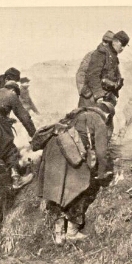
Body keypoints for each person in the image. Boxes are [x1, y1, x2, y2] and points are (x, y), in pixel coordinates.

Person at [36, 101, 115, 245]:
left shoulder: (74, 113)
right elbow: (102, 152)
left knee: (56, 190)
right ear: (107, 115)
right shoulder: (99, 120)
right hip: (70, 152)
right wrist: (102, 174)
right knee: (78, 188)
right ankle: (72, 232)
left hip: (53, 149)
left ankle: (58, 234)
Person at [79, 30, 129, 108]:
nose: (122, 48)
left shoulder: (113, 56)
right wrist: (98, 95)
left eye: (125, 46)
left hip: (105, 99)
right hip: (92, 98)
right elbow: (93, 76)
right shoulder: (101, 53)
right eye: (121, 45)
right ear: (115, 41)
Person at [76, 30, 115, 99]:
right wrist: (83, 91)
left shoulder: (111, 58)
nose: (106, 44)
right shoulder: (92, 55)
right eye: (105, 41)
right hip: (89, 95)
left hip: (104, 96)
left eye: (109, 43)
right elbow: (81, 73)